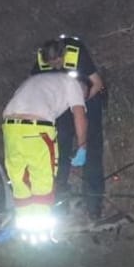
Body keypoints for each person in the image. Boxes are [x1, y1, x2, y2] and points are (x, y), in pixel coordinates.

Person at [5, 38, 89, 240]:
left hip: (10, 128)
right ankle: (42, 236)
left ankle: (25, 233)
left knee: (21, 181)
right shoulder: (72, 83)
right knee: (42, 182)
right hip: (37, 129)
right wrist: (82, 146)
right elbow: (79, 116)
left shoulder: (35, 80)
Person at [32, 34, 107, 220]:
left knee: (92, 153)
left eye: (58, 61)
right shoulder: (41, 62)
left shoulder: (77, 53)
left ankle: (93, 205)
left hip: (88, 100)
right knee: (59, 154)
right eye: (52, 63)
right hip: (61, 108)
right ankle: (59, 204)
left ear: (63, 53)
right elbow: (36, 89)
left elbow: (98, 84)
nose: (56, 66)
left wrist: (78, 103)